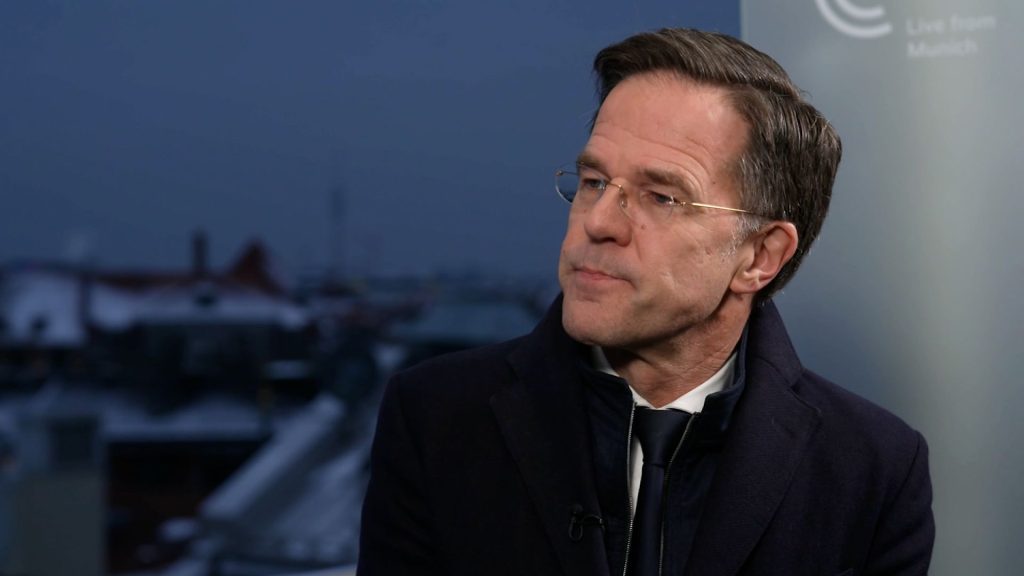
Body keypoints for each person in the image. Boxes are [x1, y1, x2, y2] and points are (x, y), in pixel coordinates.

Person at [358, 28, 934, 576]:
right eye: (593, 182)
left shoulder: (874, 468)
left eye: (661, 197)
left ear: (760, 255)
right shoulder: (435, 420)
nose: (599, 222)